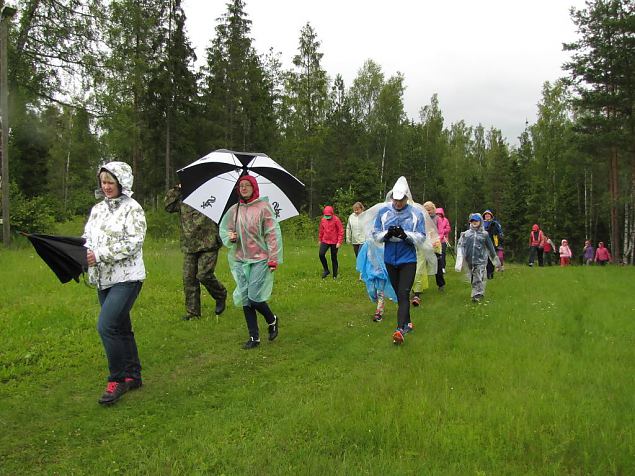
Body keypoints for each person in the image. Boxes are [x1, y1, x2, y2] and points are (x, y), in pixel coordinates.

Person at [83, 161, 146, 406]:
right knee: (120, 327)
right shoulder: (97, 209)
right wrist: (83, 252)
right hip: (103, 278)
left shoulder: (133, 209)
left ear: (122, 182)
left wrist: (99, 255)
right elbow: (87, 237)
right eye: (103, 182)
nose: (106, 186)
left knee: (106, 326)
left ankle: (117, 379)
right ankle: (133, 375)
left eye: (111, 182)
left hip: (127, 277)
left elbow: (134, 242)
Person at [220, 175, 282, 349]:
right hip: (240, 259)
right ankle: (254, 338)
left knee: (254, 297)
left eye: (247, 185)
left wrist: (273, 258)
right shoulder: (235, 209)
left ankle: (272, 319)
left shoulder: (263, 208)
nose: (244, 188)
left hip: (260, 259)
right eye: (241, 186)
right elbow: (227, 229)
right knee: (246, 299)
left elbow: (271, 233)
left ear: (254, 187)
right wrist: (230, 236)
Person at [373, 177, 426, 345]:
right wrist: (387, 235)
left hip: (408, 259)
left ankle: (399, 329)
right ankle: (408, 323)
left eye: (401, 200)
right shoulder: (383, 212)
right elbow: (375, 234)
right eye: (395, 200)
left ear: (406, 198)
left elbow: (421, 237)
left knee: (404, 293)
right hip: (390, 259)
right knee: (399, 295)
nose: (397, 203)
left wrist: (405, 235)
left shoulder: (416, 213)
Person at [165, 184, 227, 321]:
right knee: (189, 279)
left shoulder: (211, 196)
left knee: (204, 275)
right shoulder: (183, 198)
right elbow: (168, 207)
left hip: (209, 243)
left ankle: (220, 294)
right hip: (190, 245)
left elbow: (223, 211)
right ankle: (193, 312)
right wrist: (177, 189)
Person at [457, 213, 500, 303]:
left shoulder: (484, 234)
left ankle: (476, 295)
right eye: (472, 221)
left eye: (476, 221)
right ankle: (479, 292)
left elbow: (491, 249)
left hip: (480, 261)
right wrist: (460, 260)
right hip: (469, 260)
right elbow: (460, 246)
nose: (474, 222)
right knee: (474, 278)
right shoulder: (466, 234)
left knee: (478, 276)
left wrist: (496, 262)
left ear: (480, 221)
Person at [423, 201, 445, 292]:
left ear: (433, 209)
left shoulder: (437, 218)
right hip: (425, 244)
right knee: (421, 265)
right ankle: (419, 287)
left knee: (438, 265)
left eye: (429, 210)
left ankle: (441, 284)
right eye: (426, 210)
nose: (428, 212)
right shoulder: (422, 219)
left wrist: (437, 239)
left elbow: (441, 232)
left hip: (436, 244)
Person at [318, 205, 344, 279]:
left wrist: (339, 242)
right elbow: (321, 230)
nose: (327, 217)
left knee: (334, 257)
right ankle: (326, 270)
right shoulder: (323, 220)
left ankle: (335, 275)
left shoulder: (336, 220)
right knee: (321, 254)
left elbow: (340, 231)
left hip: (334, 241)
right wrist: (320, 239)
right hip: (325, 240)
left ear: (332, 214)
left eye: (329, 215)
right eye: (326, 215)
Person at [482, 209, 503, 278]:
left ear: (491, 216)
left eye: (488, 214)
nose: (487, 215)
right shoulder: (481, 223)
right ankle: (483, 274)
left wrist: (500, 238)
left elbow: (500, 232)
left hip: (492, 242)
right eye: (486, 214)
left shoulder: (495, 223)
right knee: (483, 259)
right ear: (484, 216)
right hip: (483, 243)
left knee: (491, 258)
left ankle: (490, 274)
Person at [435, 207, 451, 273]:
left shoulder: (445, 220)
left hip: (444, 240)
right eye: (437, 214)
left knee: (443, 254)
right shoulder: (434, 220)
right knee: (436, 254)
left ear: (442, 214)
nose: (438, 215)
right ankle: (436, 267)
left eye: (440, 214)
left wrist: (442, 231)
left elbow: (448, 229)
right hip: (435, 239)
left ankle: (443, 267)